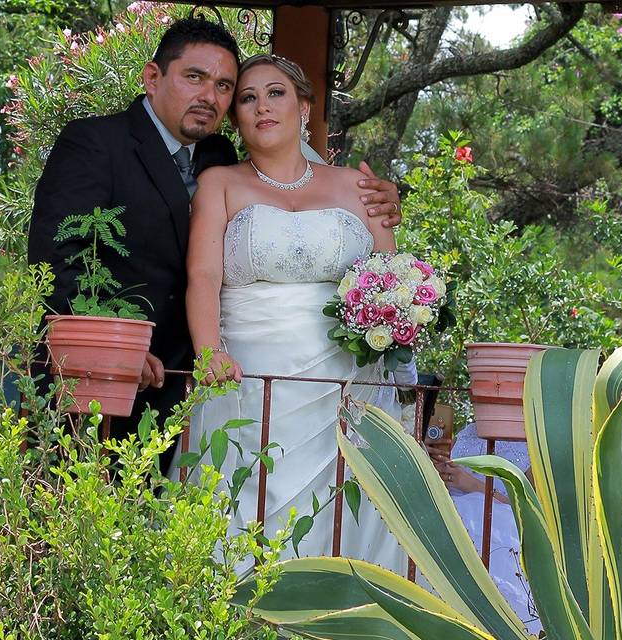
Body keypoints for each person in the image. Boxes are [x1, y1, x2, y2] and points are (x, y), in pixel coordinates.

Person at [28, 18, 402, 457]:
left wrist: (386, 199)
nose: (210, 96)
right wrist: (115, 345)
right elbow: (55, 257)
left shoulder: (216, 156)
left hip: (194, 384)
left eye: (225, 86)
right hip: (106, 379)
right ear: (152, 78)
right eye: (195, 77)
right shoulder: (94, 142)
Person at [171, 53, 409, 575]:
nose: (262, 107)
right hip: (248, 378)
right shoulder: (219, 184)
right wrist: (210, 352)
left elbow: (391, 280)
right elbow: (204, 278)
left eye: (276, 93)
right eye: (248, 98)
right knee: (244, 510)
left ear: (305, 106)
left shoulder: (358, 186)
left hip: (348, 381)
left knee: (344, 513)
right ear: (236, 118)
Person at [429, 422, 541, 635]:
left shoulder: (536, 443)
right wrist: (442, 472)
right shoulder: (468, 432)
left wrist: (471, 485)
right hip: (452, 518)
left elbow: (529, 509)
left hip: (499, 527)